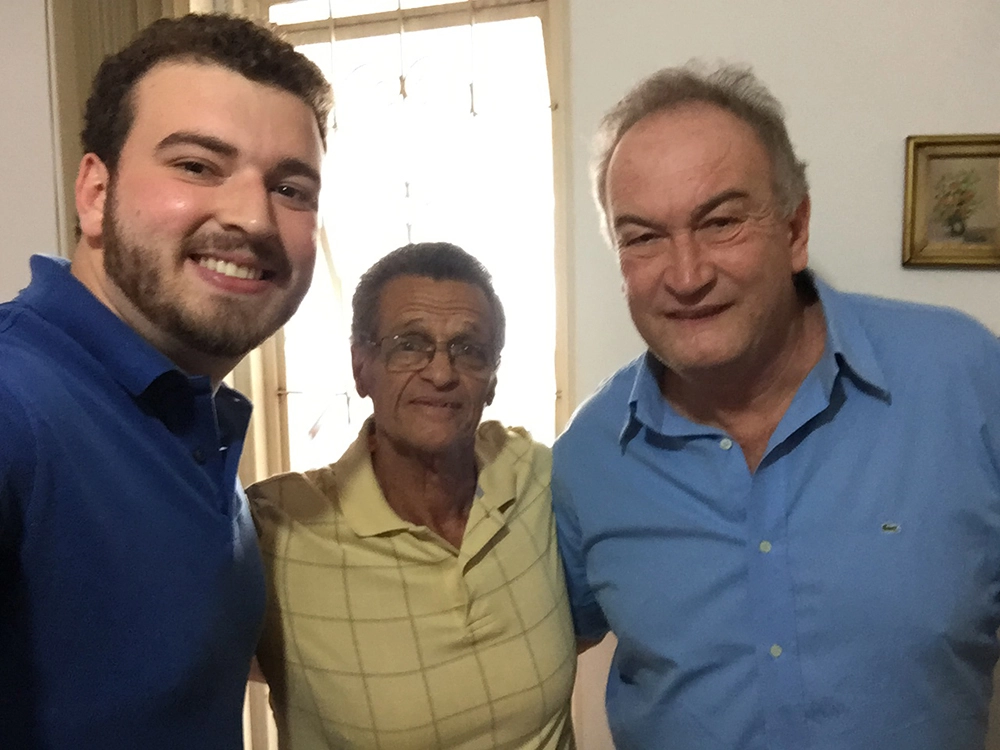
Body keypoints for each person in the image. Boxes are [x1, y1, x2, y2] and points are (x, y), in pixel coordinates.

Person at [552, 62, 1000, 750]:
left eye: (722, 221)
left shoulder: (967, 382)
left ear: (795, 229)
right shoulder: (589, 456)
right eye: (642, 236)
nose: (687, 274)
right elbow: (534, 651)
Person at [0, 13, 331, 749]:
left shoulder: (191, 420)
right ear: (94, 192)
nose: (252, 216)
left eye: (291, 187)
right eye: (195, 165)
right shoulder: (15, 404)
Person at [250, 242, 577, 749]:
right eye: (410, 343)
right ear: (362, 366)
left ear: (492, 378)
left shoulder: (534, 477)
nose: (442, 373)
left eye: (469, 349)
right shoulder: (278, 530)